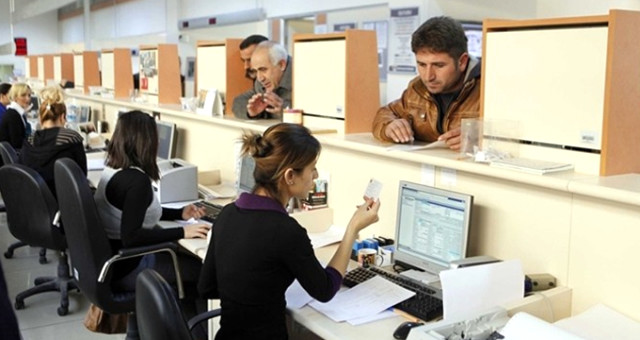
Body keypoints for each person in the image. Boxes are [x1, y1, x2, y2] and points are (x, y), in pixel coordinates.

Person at [198, 123, 380, 340]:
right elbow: (325, 289)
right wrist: (352, 229)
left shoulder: (227, 214)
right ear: (290, 176)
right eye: (312, 168)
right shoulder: (285, 231)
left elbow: (206, 288)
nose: (315, 175)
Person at [93, 110, 210, 335]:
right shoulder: (137, 181)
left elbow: (133, 211)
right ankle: (196, 333)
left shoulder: (114, 169)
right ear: (146, 141)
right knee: (205, 274)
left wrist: (179, 213)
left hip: (115, 263)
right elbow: (132, 236)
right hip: (130, 265)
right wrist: (182, 233)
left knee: (186, 270)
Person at [372, 16, 481, 151]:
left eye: (439, 65)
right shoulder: (417, 88)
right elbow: (385, 113)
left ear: (462, 62)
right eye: (422, 64)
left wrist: (482, 138)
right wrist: (389, 125)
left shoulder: (488, 89)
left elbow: (511, 135)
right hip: (425, 170)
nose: (428, 76)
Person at [19, 85, 87, 197]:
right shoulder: (71, 138)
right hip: (63, 202)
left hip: (31, 202)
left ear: (40, 118)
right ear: (62, 117)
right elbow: (82, 176)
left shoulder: (30, 139)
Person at [233, 41, 292, 120]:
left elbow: (312, 114)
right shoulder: (261, 83)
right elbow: (238, 102)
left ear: (281, 65)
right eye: (256, 71)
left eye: (263, 69)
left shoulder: (303, 77)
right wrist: (251, 112)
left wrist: (287, 110)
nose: (260, 78)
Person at [232, 34, 268, 118]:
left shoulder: (295, 77)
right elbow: (238, 102)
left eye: (250, 60)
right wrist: (251, 112)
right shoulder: (258, 83)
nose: (246, 66)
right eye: (243, 61)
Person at [0, 82, 34, 150]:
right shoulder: (12, 115)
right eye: (23, 95)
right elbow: (17, 143)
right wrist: (34, 140)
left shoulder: (17, 113)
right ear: (14, 97)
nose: (27, 99)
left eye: (29, 95)